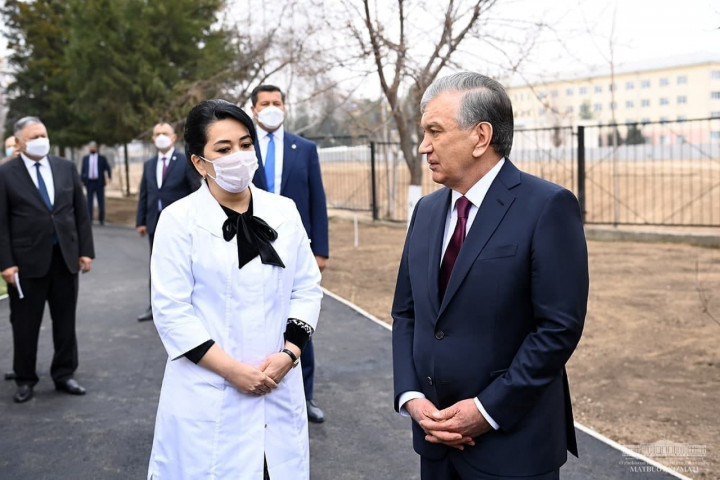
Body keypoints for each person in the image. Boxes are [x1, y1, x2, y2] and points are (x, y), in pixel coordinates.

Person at [391, 72, 589, 479]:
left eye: (434, 131)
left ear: (480, 137)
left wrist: (485, 410)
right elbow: (406, 314)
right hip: (434, 440)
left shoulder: (547, 207)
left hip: (512, 447)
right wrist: (412, 396)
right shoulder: (426, 211)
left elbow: (557, 329)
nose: (424, 145)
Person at [146, 99, 322, 479]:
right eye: (223, 149)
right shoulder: (178, 221)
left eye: (245, 144)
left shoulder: (283, 211)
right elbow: (172, 312)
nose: (238, 156)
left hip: (278, 385)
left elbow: (307, 288)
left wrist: (290, 353)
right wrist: (233, 372)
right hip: (210, 392)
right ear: (199, 162)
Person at [0, 116, 95, 403]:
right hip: (26, 263)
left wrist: (86, 251)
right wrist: (6, 263)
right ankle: (25, 378)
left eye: (43, 134)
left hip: (64, 258)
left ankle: (64, 373)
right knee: (25, 324)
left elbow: (80, 213)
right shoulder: (6, 174)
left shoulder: (65, 168)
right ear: (19, 142)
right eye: (34, 137)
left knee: (65, 321)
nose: (41, 140)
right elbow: (1, 223)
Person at [251, 84, 329, 424]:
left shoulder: (304, 148)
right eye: (265, 103)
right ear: (254, 109)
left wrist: (320, 249)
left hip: (296, 246)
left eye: (277, 102)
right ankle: (258, 381)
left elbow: (317, 199)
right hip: (251, 243)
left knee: (299, 317)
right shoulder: (244, 147)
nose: (272, 107)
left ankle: (305, 395)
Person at [135, 122, 199, 322]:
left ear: (173, 137)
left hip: (181, 225)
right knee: (157, 265)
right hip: (154, 223)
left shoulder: (185, 161)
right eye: (157, 134)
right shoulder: (149, 164)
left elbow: (195, 191)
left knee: (184, 265)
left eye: (165, 133)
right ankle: (154, 307)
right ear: (153, 139)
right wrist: (140, 221)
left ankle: (187, 305)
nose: (161, 136)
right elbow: (145, 194)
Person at [80, 141, 112, 225]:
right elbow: (83, 170)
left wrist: (109, 176)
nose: (92, 148)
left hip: (99, 182)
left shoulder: (101, 158)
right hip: (89, 182)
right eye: (91, 147)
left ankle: (101, 219)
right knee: (89, 201)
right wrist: (81, 180)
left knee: (101, 201)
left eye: (94, 147)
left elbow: (107, 167)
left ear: (96, 148)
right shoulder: (86, 158)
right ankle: (89, 218)